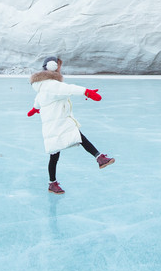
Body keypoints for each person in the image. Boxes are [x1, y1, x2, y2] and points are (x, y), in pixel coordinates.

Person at [28, 56, 114, 194]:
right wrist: (88, 92)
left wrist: (35, 109)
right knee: (61, 149)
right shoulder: (52, 84)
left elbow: (38, 101)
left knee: (69, 143)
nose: (60, 69)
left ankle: (99, 158)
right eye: (59, 66)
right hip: (58, 122)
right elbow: (69, 89)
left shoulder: (43, 85)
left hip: (55, 123)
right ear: (53, 67)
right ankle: (98, 159)